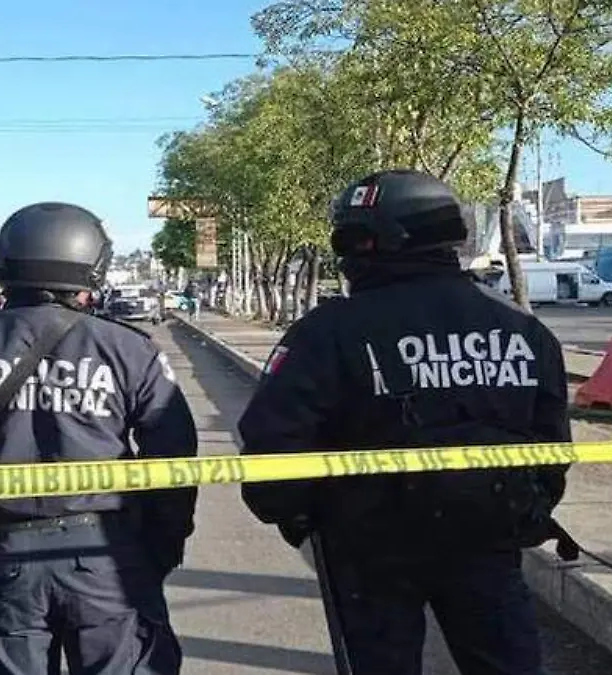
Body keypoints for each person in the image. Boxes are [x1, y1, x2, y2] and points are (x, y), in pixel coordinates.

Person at [236, 169, 571, 675]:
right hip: (488, 541)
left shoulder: (326, 332)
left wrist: (301, 517)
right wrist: (522, 510)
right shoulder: (523, 329)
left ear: (385, 240)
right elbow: (552, 449)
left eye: (353, 237)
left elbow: (273, 442)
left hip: (368, 551)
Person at [0, 201, 199, 675]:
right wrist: (163, 542)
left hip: (2, 558)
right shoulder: (128, 348)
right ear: (93, 268)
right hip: (108, 555)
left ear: (3, 264)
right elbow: (174, 456)